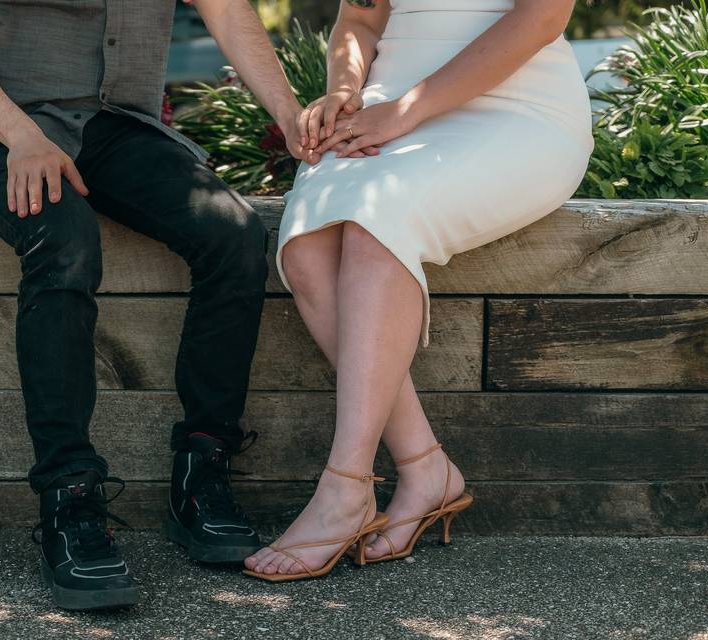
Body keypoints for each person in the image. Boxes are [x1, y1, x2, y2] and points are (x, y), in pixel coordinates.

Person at [0, 0, 309, 610]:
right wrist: (24, 137)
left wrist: (291, 117)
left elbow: (230, 15)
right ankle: (68, 496)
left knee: (234, 236)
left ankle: (202, 472)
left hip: (117, 129)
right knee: (66, 246)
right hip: (0, 130)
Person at [244, 0, 592, 581]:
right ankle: (426, 469)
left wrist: (407, 113)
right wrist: (345, 93)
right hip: (381, 111)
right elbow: (359, 21)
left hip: (516, 108)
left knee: (378, 228)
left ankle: (346, 487)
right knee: (305, 246)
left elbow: (541, 20)